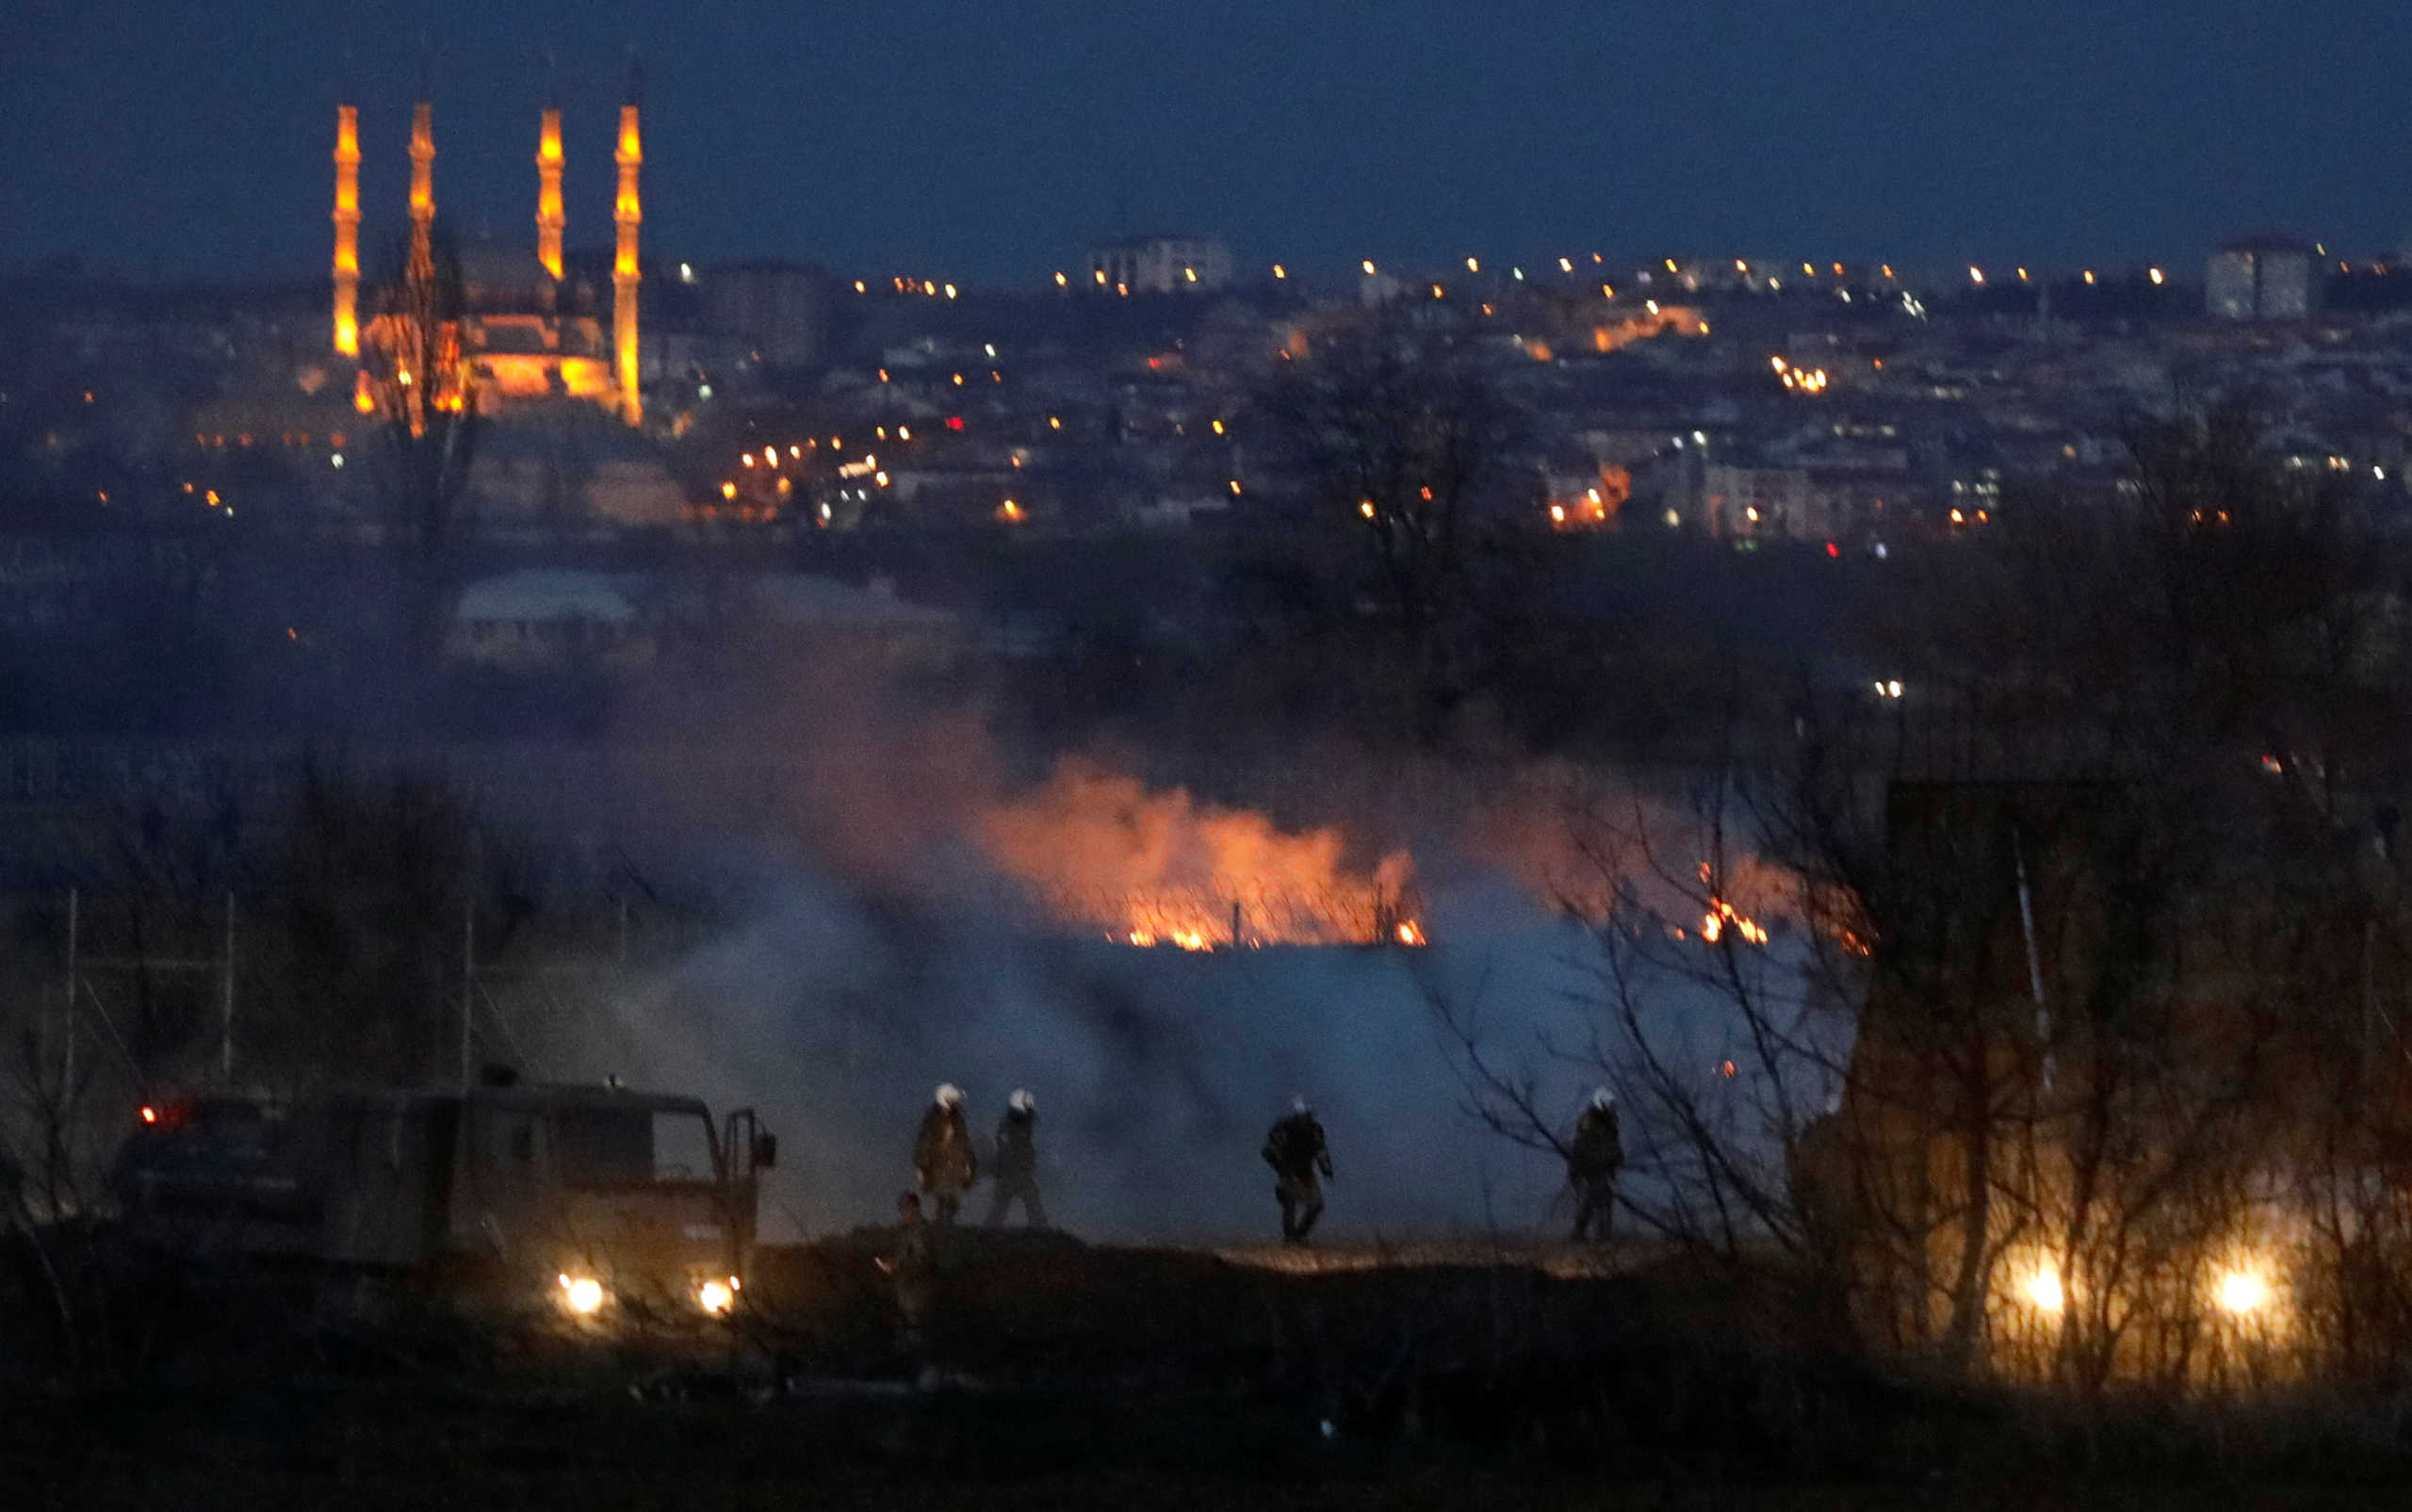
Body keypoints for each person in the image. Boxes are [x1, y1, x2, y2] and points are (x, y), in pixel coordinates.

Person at [1263, 1097, 1333, 1244]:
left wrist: (1326, 1168)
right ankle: (1290, 1238)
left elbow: (1321, 1151)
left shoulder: (1315, 1130)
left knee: (1316, 1205)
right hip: (1289, 1171)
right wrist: (1282, 1168)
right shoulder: (1284, 1129)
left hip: (1306, 1172)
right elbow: (1268, 1151)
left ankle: (1298, 1235)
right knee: (1289, 1203)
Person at [874, 1191, 937, 1355]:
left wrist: (895, 1266)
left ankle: (915, 1361)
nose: (902, 1211)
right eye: (901, 1207)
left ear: (914, 1208)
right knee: (905, 1326)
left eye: (905, 1207)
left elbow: (921, 1260)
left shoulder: (920, 1230)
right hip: (905, 1288)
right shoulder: (905, 1230)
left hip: (916, 1289)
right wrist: (892, 1264)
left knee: (915, 1327)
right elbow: (904, 1255)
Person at [914, 1082, 977, 1225]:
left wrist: (970, 1164)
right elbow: (924, 1143)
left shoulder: (958, 1119)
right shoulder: (933, 1120)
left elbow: (965, 1142)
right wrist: (923, 1166)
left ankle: (944, 1225)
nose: (956, 1101)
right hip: (939, 1165)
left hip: (955, 1164)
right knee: (943, 1198)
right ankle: (942, 1226)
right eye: (953, 1098)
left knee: (951, 1201)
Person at [1567, 1087, 1623, 1243]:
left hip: (1601, 1169)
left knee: (1603, 1202)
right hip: (1588, 1169)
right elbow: (1584, 1149)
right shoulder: (1589, 1124)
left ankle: (1603, 1236)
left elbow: (1613, 1145)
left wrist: (1615, 1160)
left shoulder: (1609, 1123)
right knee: (1588, 1202)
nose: (1612, 1108)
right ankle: (1580, 1235)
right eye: (1609, 1105)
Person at [986, 1088, 1047, 1228]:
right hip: (1013, 1173)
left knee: (1005, 1206)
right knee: (1028, 1202)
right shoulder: (1011, 1128)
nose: (1031, 1110)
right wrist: (1021, 1168)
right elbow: (1008, 1151)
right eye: (1028, 1106)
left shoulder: (1020, 1126)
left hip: (1016, 1172)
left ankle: (1040, 1230)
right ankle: (1041, 1231)